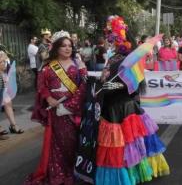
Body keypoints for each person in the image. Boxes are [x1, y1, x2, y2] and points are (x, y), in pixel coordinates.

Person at [89, 16, 169, 184]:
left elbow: (136, 82)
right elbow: (107, 76)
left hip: (124, 105)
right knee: (116, 144)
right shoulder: (113, 57)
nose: (113, 41)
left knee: (131, 142)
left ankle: (134, 173)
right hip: (110, 105)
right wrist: (103, 81)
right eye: (111, 38)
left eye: (115, 37)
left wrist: (117, 87)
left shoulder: (132, 58)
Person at [25, 31, 87, 185]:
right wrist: (49, 98)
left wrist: (70, 106)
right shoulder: (48, 66)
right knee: (57, 142)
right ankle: (58, 170)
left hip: (72, 111)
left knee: (72, 142)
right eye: (63, 46)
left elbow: (83, 86)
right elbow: (41, 85)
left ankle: (73, 168)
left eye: (70, 46)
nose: (67, 49)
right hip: (55, 111)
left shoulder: (77, 64)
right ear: (56, 48)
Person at [0, 51, 23, 139]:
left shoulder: (2, 51)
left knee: (8, 102)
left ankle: (13, 125)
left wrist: (3, 60)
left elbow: (7, 64)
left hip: (3, 78)